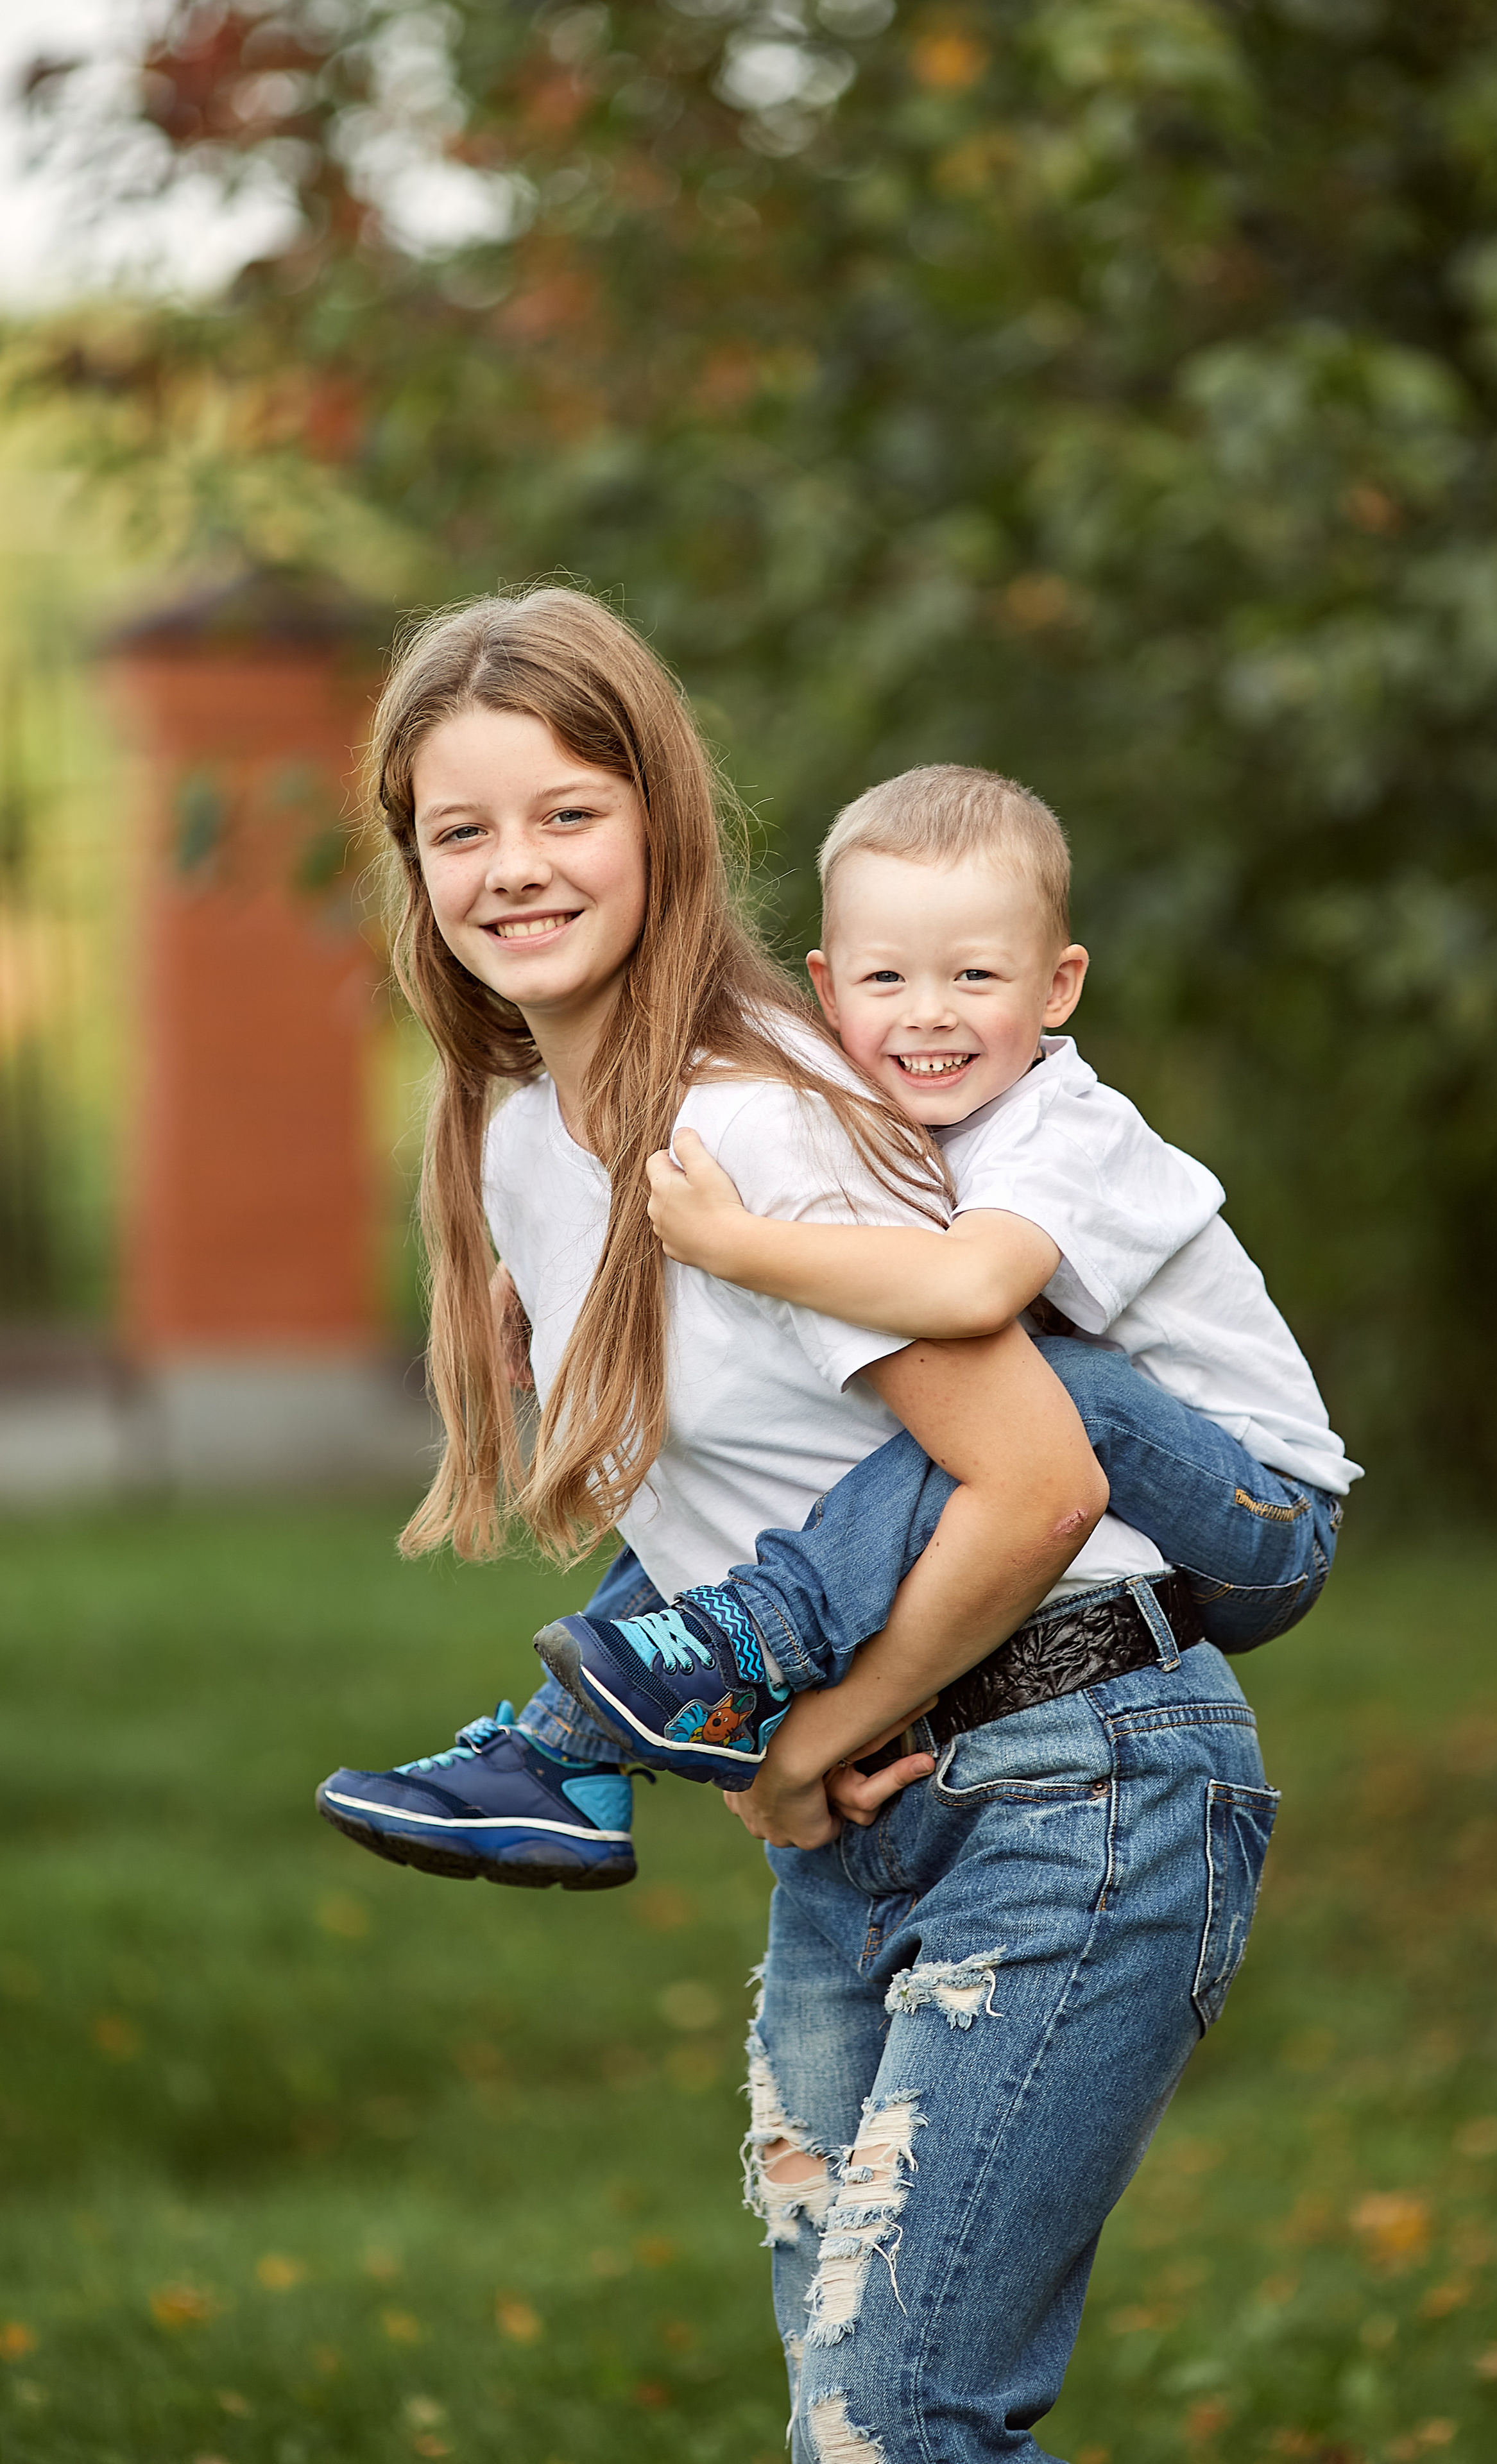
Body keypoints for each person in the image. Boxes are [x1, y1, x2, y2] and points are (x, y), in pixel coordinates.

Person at [314, 585, 1312, 2460]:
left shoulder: (761, 1126)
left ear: (664, 825)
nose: (513, 868)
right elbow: (746, 1500)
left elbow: (1043, 1480)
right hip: (863, 1830)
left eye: (566, 813)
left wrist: (810, 1740)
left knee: (902, 2420)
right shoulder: (523, 1139)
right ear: (414, 865)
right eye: (461, 830)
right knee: (858, 2433)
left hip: (1070, 1780)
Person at [531, 764, 1358, 1795]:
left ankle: (762, 1635)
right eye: (887, 980)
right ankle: (564, 1747)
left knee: (1062, 1390)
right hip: (1143, 1502)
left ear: (1056, 987)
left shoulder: (1062, 1129)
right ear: (827, 990)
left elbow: (973, 1291)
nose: (928, 1015)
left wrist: (735, 1243)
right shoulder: (882, 1126)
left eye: (974, 977)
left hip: (1263, 1519)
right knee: (792, 1455)